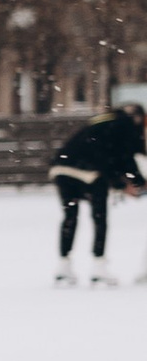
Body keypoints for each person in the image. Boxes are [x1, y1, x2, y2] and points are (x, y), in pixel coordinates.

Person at [47, 101, 144, 286]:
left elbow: (101, 149)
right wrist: (132, 184)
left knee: (70, 216)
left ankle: (63, 266)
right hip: (89, 172)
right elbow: (122, 157)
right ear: (138, 117)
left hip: (61, 167)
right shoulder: (126, 125)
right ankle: (99, 266)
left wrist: (122, 183)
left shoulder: (103, 120)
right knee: (99, 217)